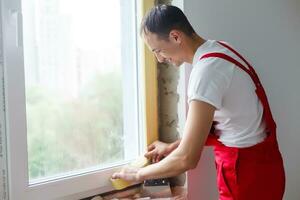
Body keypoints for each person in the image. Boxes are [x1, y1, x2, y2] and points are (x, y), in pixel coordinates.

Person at [112, 4, 285, 200]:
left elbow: (187, 158)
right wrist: (172, 147)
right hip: (267, 169)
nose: (159, 59)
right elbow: (232, 122)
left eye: (157, 50)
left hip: (244, 176)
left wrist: (137, 174)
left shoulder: (206, 72)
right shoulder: (221, 49)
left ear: (176, 37)